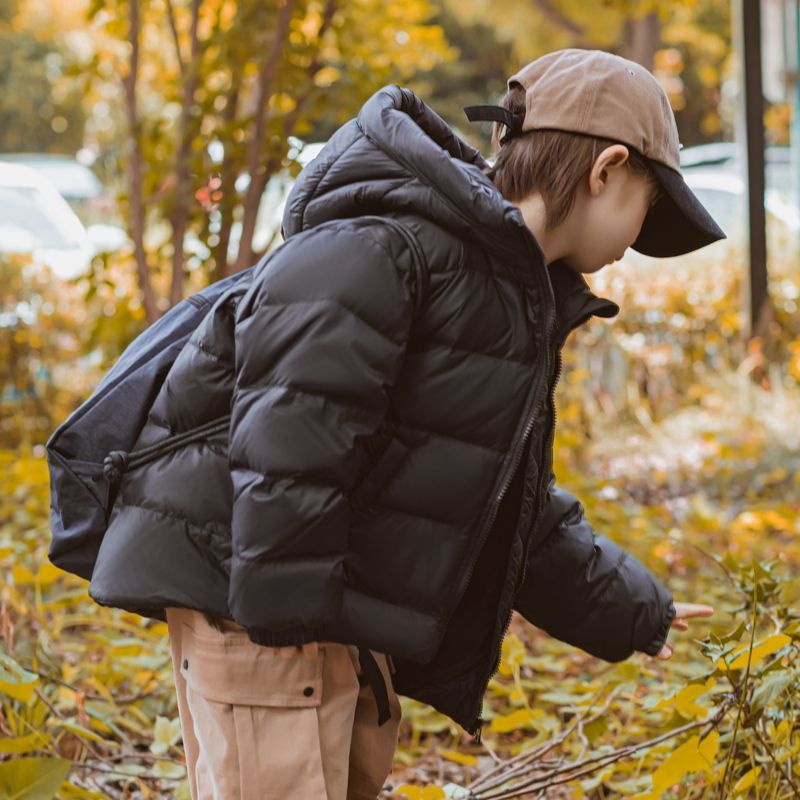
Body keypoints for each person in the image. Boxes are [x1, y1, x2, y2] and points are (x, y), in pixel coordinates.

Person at [87, 48, 721, 799]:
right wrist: (295, 641)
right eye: (648, 206)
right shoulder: (386, 246)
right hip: (261, 613)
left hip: (328, 615)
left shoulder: (504, 288)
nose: (639, 240)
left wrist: (639, 609)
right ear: (607, 168)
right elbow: (288, 445)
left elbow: (510, 509)